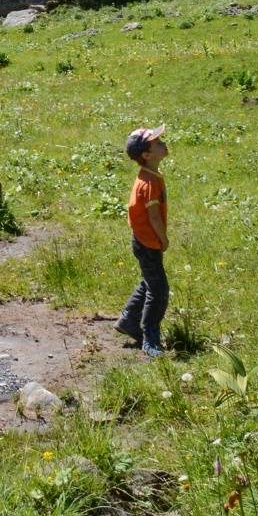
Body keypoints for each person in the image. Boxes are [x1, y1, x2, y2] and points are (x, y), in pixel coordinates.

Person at [114, 124, 170, 358]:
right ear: (147, 155)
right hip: (148, 241)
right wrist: (163, 239)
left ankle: (128, 320)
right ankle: (150, 337)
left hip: (144, 240)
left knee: (150, 281)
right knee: (159, 290)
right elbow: (153, 216)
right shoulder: (148, 183)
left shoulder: (151, 176)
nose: (163, 144)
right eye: (157, 143)